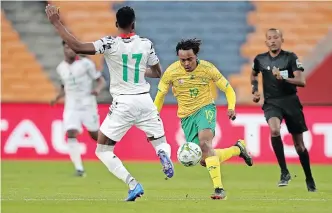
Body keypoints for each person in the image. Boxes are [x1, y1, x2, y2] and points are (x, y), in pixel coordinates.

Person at [45, 5, 174, 201]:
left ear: (116, 24)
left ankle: (133, 184)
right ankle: (163, 155)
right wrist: (138, 71)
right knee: (160, 142)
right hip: (145, 101)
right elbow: (157, 73)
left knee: (102, 149)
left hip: (123, 103)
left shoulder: (109, 44)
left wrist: (56, 22)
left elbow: (79, 47)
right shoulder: (146, 44)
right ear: (134, 24)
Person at [154, 38, 253, 200]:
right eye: (182, 60)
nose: (186, 63)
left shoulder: (208, 68)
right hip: (186, 116)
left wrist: (231, 107)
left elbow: (228, 89)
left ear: (196, 56)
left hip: (205, 109)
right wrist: (153, 116)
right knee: (204, 158)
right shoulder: (171, 72)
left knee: (205, 144)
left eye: (189, 59)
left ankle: (219, 189)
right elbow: (160, 96)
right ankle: (237, 149)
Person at [251, 28, 316, 192]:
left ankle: (309, 177)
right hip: (272, 102)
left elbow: (302, 81)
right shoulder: (260, 59)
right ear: (266, 42)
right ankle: (284, 172)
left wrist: (284, 78)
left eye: (276, 37)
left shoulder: (290, 57)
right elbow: (253, 74)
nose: (273, 40)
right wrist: (255, 90)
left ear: (282, 40)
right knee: (274, 130)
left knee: (299, 146)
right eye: (270, 38)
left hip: (291, 102)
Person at [51, 41, 105, 177]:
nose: (70, 50)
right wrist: (57, 97)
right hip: (71, 106)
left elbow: (101, 80)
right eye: (67, 47)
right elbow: (64, 86)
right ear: (63, 48)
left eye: (72, 48)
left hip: (88, 104)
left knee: (95, 135)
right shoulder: (60, 68)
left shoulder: (86, 64)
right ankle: (79, 168)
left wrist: (97, 90)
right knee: (70, 132)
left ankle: (110, 149)